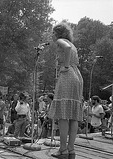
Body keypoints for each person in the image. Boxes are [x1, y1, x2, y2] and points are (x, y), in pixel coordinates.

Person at [48, 22, 83, 158]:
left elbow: (66, 48)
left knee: (63, 114)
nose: (52, 35)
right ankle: (71, 149)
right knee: (73, 116)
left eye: (53, 32)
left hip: (68, 75)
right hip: (77, 76)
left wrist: (66, 66)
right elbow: (70, 48)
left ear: (58, 33)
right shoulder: (73, 44)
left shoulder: (61, 41)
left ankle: (62, 150)